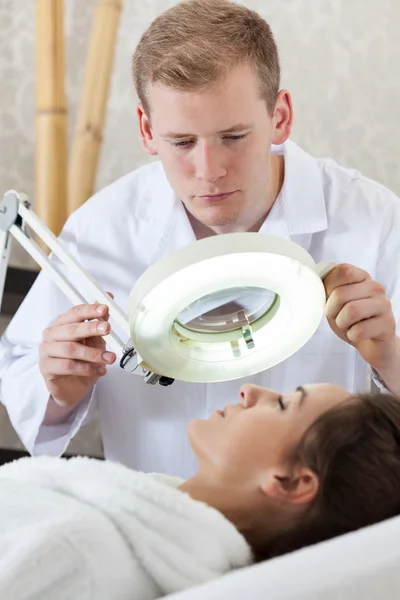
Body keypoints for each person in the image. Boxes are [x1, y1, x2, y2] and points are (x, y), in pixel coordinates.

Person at [0, 0, 400, 477]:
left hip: (315, 538)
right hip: (159, 524)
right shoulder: (102, 229)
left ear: (281, 116)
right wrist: (59, 387)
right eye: (182, 143)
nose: (209, 172)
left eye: (233, 137)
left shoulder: (372, 220)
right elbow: (24, 367)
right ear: (148, 131)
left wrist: (390, 356)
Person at [1, 382, 400, 600]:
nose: (250, 391)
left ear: (291, 482)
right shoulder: (124, 529)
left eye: (281, 404)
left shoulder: (77, 555)